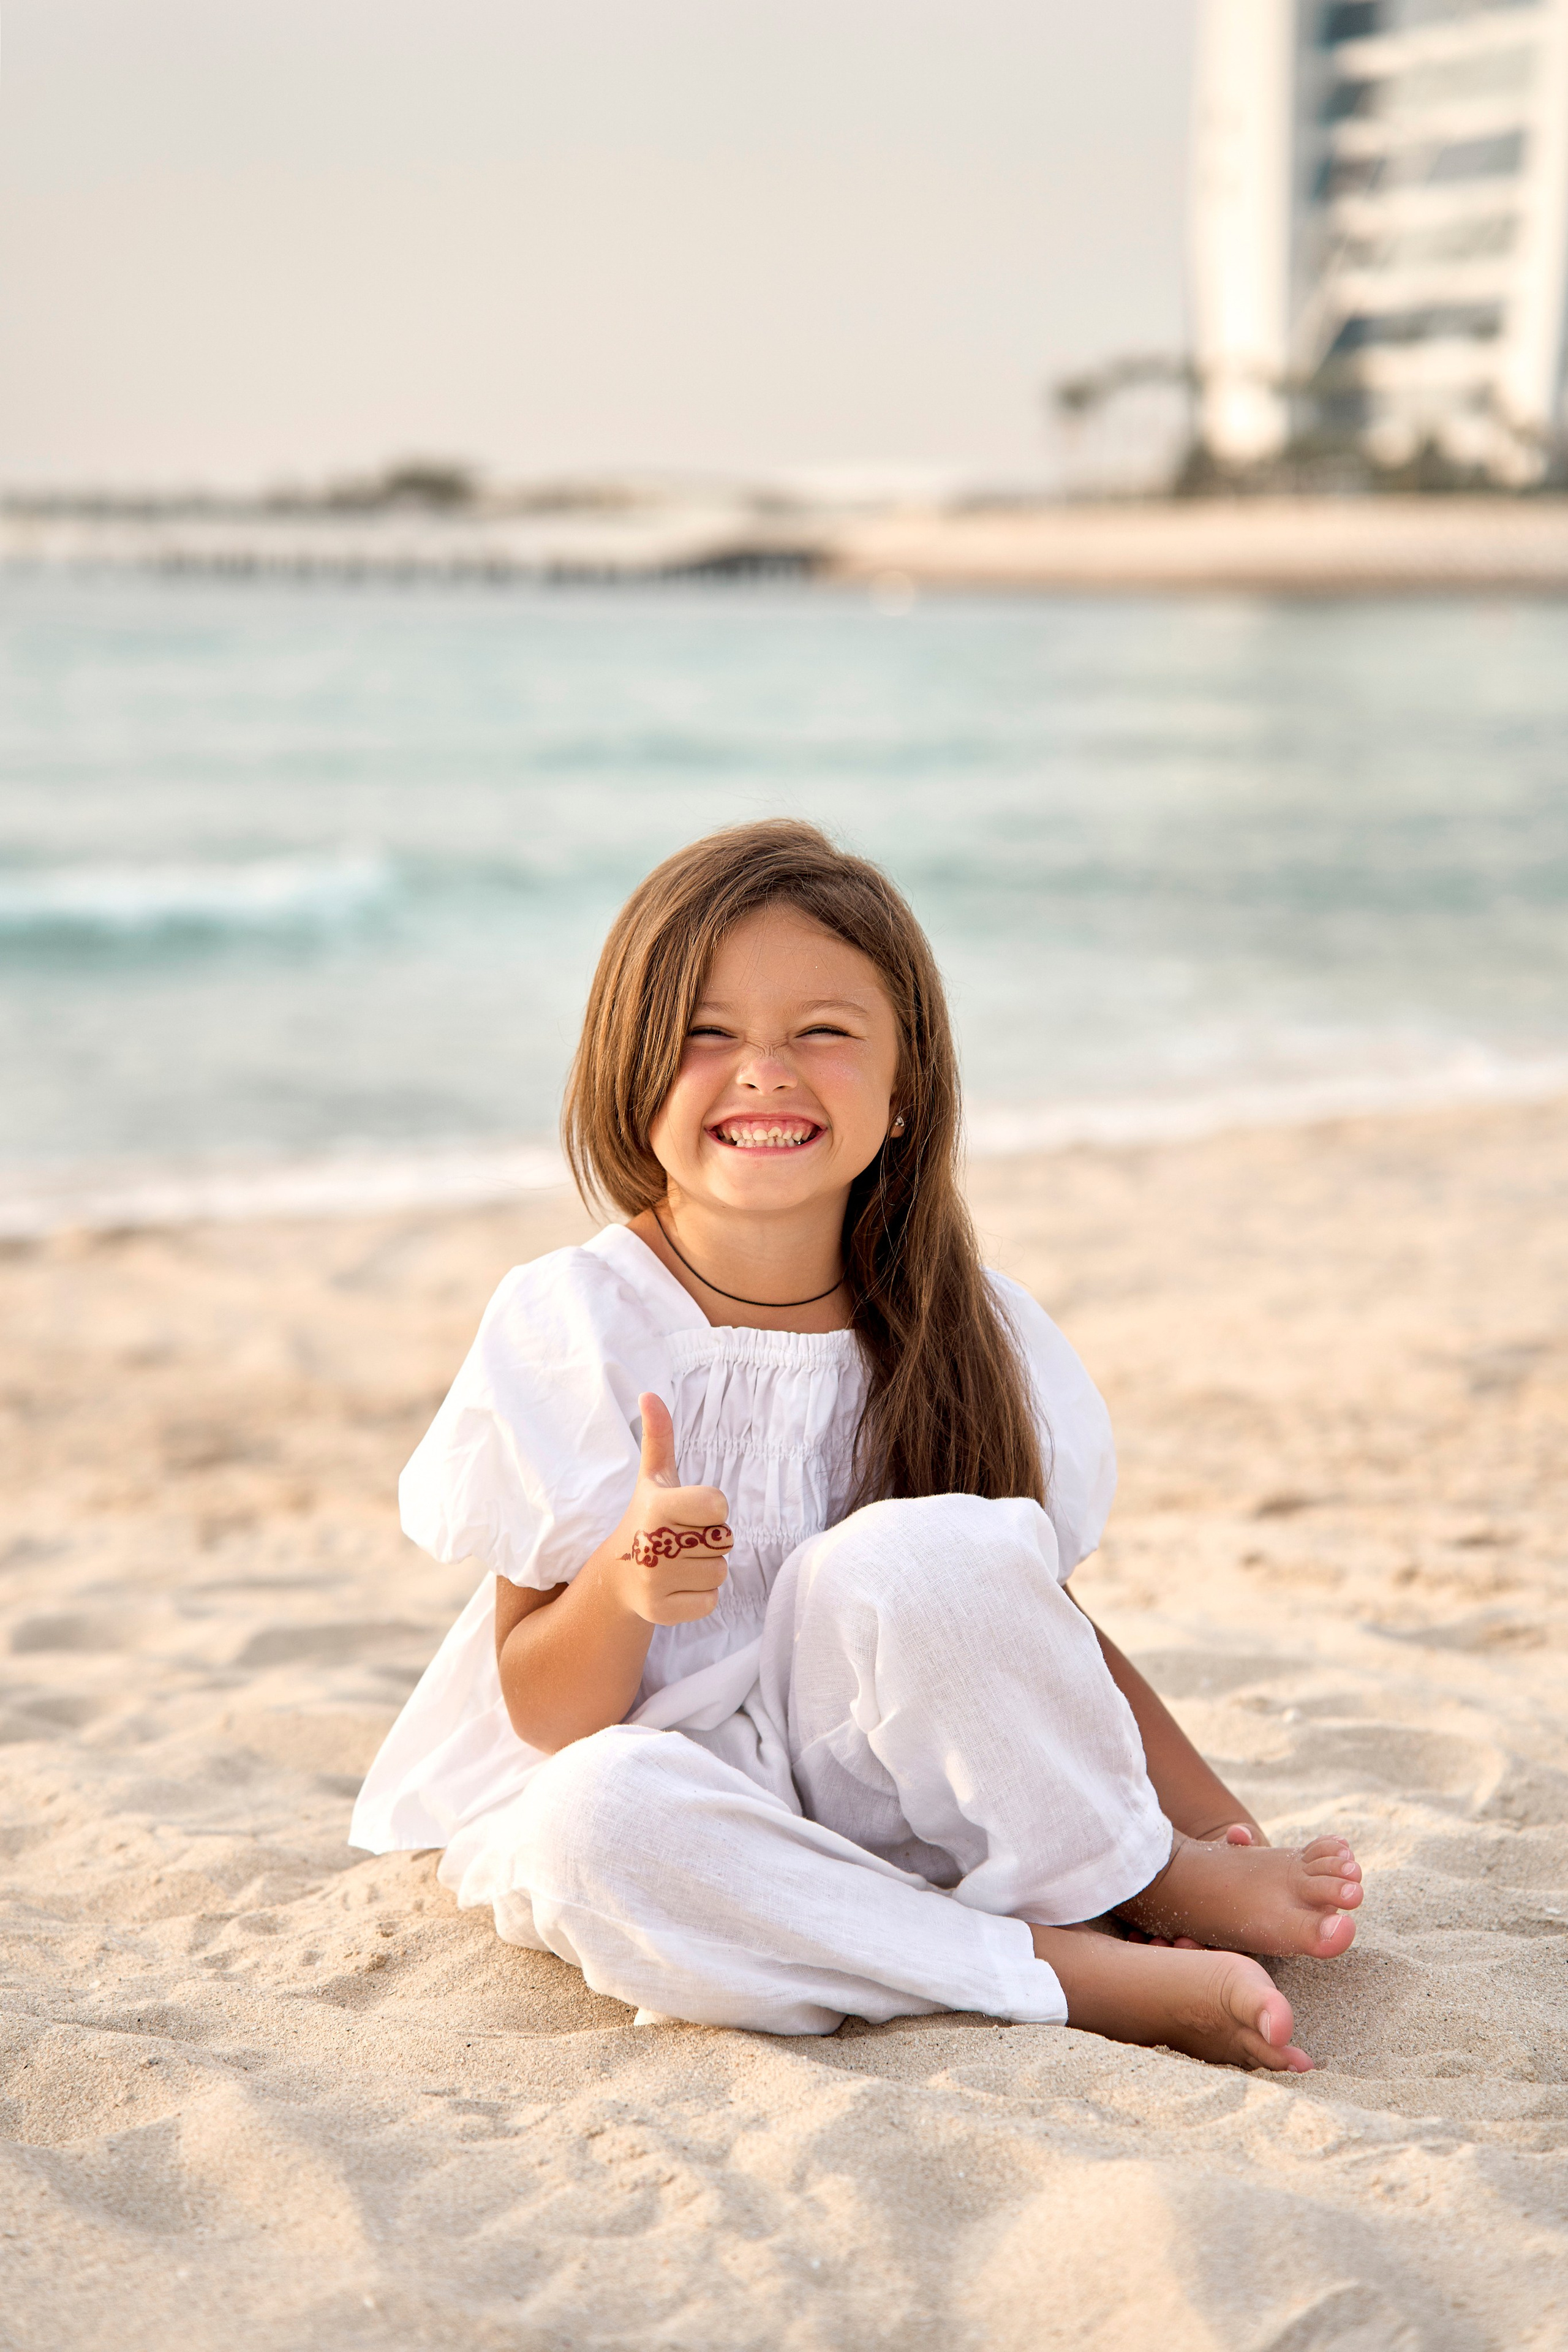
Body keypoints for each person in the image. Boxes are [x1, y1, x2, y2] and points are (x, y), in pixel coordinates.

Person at [352, 820, 1362, 2068]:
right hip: (688, 1807)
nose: (763, 1073)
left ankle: (1103, 1890)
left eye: (821, 1033)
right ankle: (1054, 1969)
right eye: (704, 1033)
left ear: (903, 1094)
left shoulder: (957, 1322)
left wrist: (1198, 1842)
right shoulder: (572, 1326)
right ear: (628, 1074)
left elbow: (1024, 1622)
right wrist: (618, 1586)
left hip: (884, 1790)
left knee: (922, 1554)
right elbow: (548, 1713)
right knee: (588, 1825)